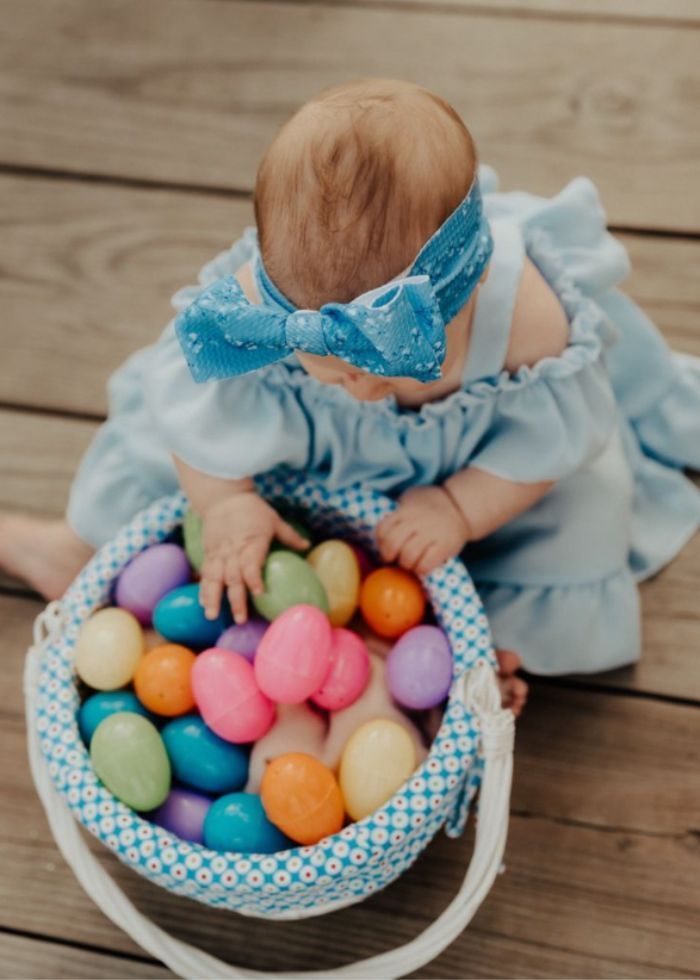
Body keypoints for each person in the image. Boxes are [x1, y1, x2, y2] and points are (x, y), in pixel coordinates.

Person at [4, 79, 700, 713]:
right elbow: (199, 408)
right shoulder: (258, 304)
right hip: (304, 459)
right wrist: (227, 501)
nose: (361, 383)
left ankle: (459, 649)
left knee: (583, 513)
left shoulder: (528, 320)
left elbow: (553, 438)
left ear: (468, 295)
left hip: (472, 472)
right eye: (329, 364)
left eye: (390, 363)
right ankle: (79, 548)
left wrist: (460, 507)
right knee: (162, 460)